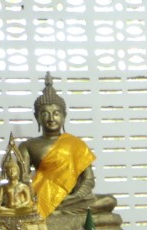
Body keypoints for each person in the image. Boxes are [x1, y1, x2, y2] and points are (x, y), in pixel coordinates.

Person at [19, 72, 119, 221]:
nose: (51, 118)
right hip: (42, 199)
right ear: (37, 117)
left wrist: (73, 197)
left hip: (72, 200)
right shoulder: (28, 146)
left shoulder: (76, 144)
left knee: (109, 201)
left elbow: (88, 180)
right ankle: (54, 213)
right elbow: (21, 181)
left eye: (56, 113)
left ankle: (59, 213)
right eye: (45, 114)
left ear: (64, 116)